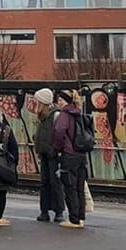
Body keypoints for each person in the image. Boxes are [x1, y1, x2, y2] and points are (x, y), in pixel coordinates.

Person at [51, 90, 91, 230]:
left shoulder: (65, 114)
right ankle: (80, 218)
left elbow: (59, 131)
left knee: (70, 187)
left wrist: (57, 148)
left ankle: (73, 219)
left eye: (61, 100)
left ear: (66, 101)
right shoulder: (78, 112)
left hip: (69, 154)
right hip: (81, 154)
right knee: (79, 187)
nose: (59, 102)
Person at [31, 88, 63, 223]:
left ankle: (58, 211)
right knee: (44, 182)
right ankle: (44, 211)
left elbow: (59, 134)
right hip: (44, 152)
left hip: (53, 153)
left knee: (55, 182)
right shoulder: (43, 115)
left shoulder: (55, 115)